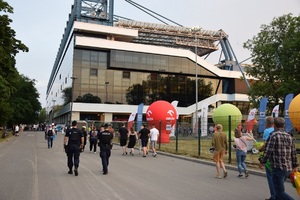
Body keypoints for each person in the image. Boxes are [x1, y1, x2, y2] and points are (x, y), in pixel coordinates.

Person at [259, 117, 299, 200]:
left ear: (274, 125)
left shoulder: (273, 136)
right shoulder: (289, 136)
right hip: (288, 168)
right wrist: (295, 165)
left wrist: (262, 161)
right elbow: (294, 153)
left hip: (278, 168)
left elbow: (268, 151)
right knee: (278, 189)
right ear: (284, 125)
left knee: (279, 192)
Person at [259, 116, 275, 200]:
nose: (265, 124)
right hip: (279, 157)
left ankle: (273, 196)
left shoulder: (267, 131)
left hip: (269, 158)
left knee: (270, 178)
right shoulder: (279, 130)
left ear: (268, 123)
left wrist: (260, 149)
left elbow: (266, 145)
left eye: (265, 123)